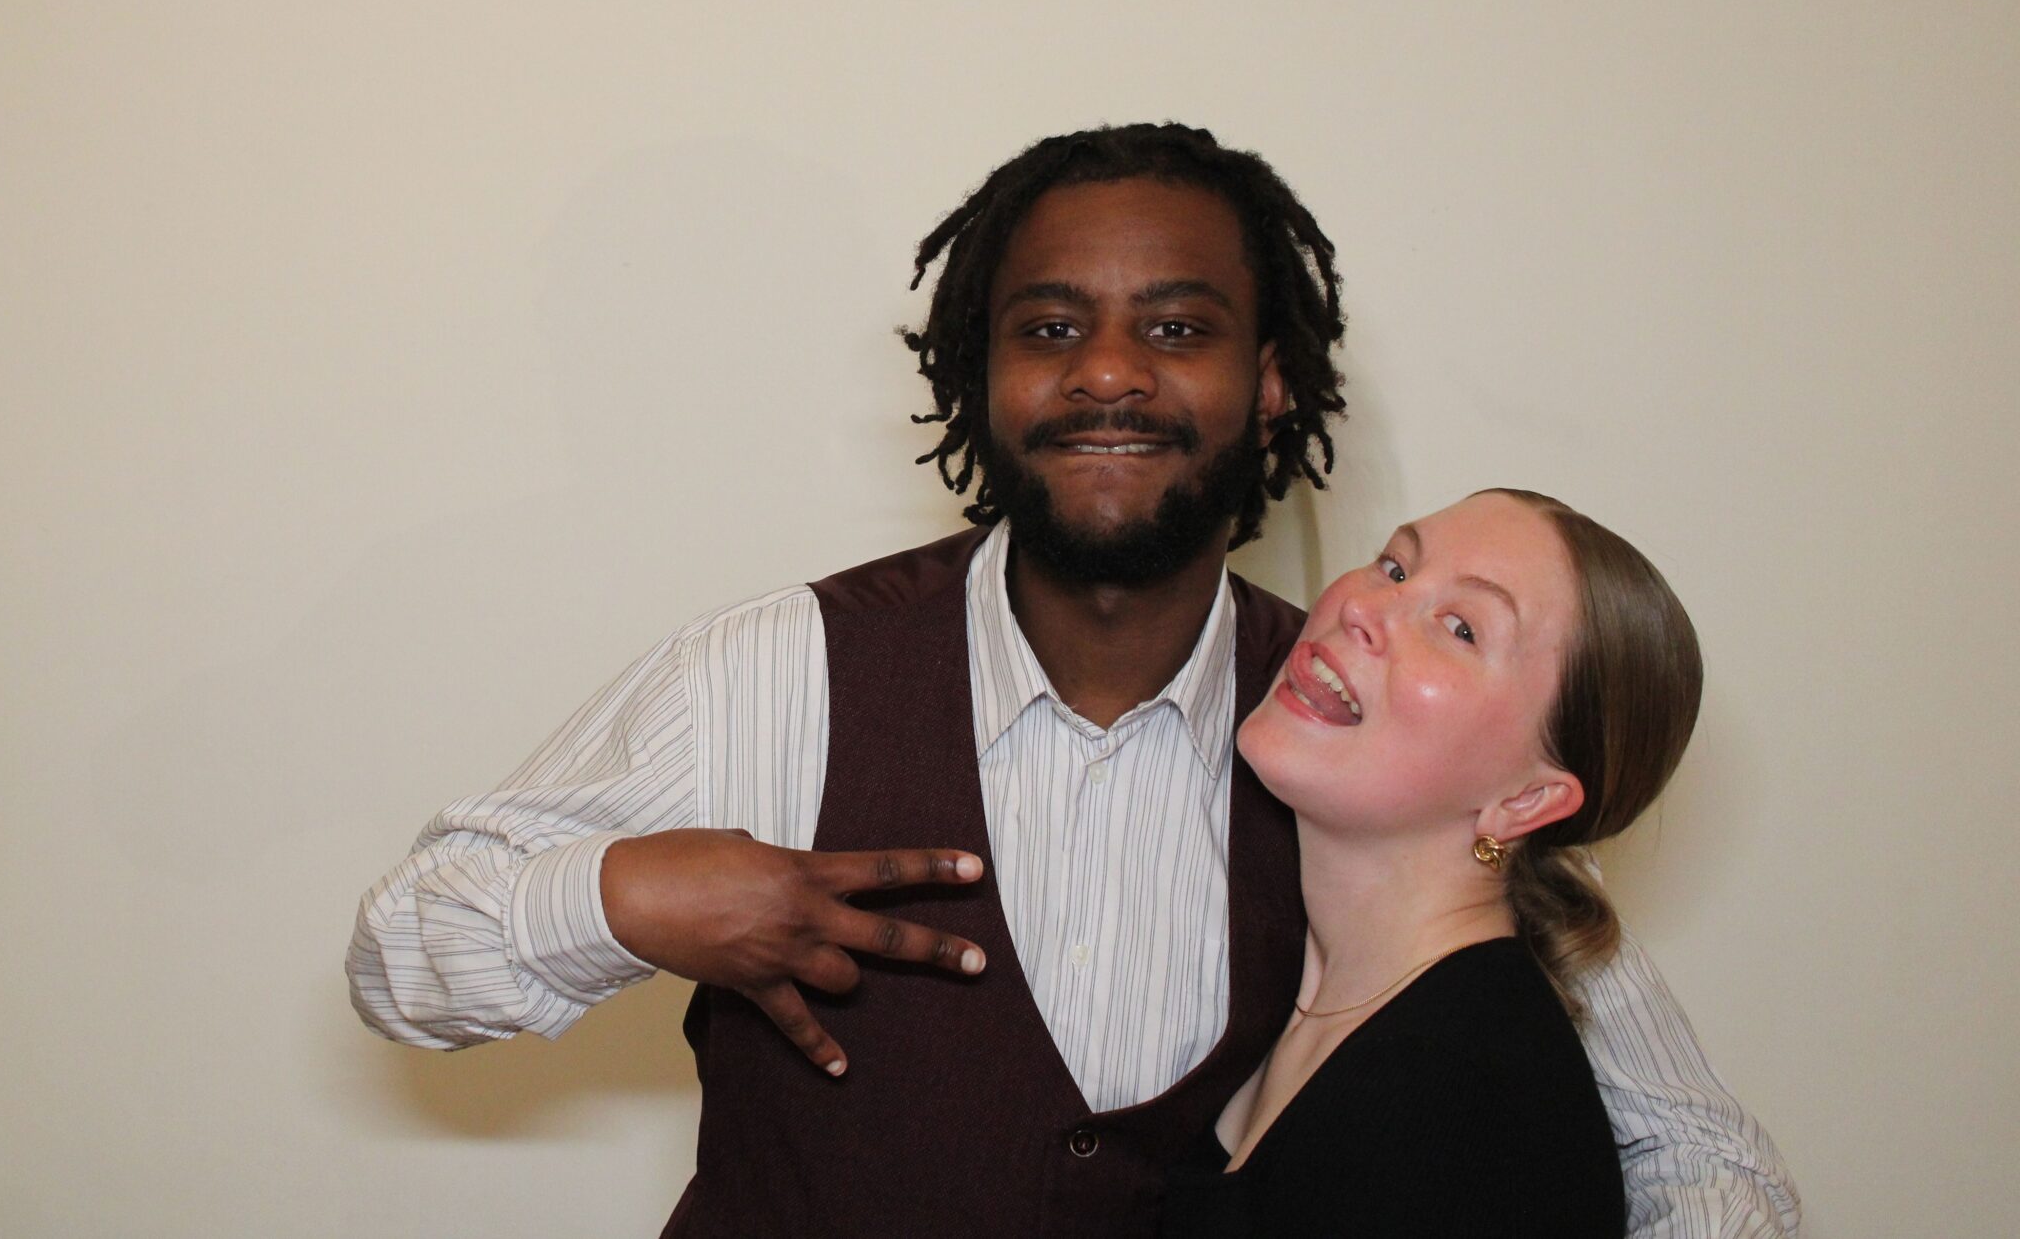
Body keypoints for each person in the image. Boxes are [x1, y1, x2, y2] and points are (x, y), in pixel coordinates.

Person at [347, 123, 1798, 1237]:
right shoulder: (774, 671)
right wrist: (622, 896)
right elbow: (400, 949)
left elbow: (1703, 1158)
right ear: (979, 375)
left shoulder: (1355, 735)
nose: (1109, 373)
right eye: (1049, 328)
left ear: (1270, 382)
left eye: (1176, 328)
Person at [1161, 488, 1700, 1237]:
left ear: (1526, 800)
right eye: (1393, 566)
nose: (1361, 606)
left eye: (1461, 628)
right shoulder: (1318, 1003)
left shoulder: (1472, 1105)